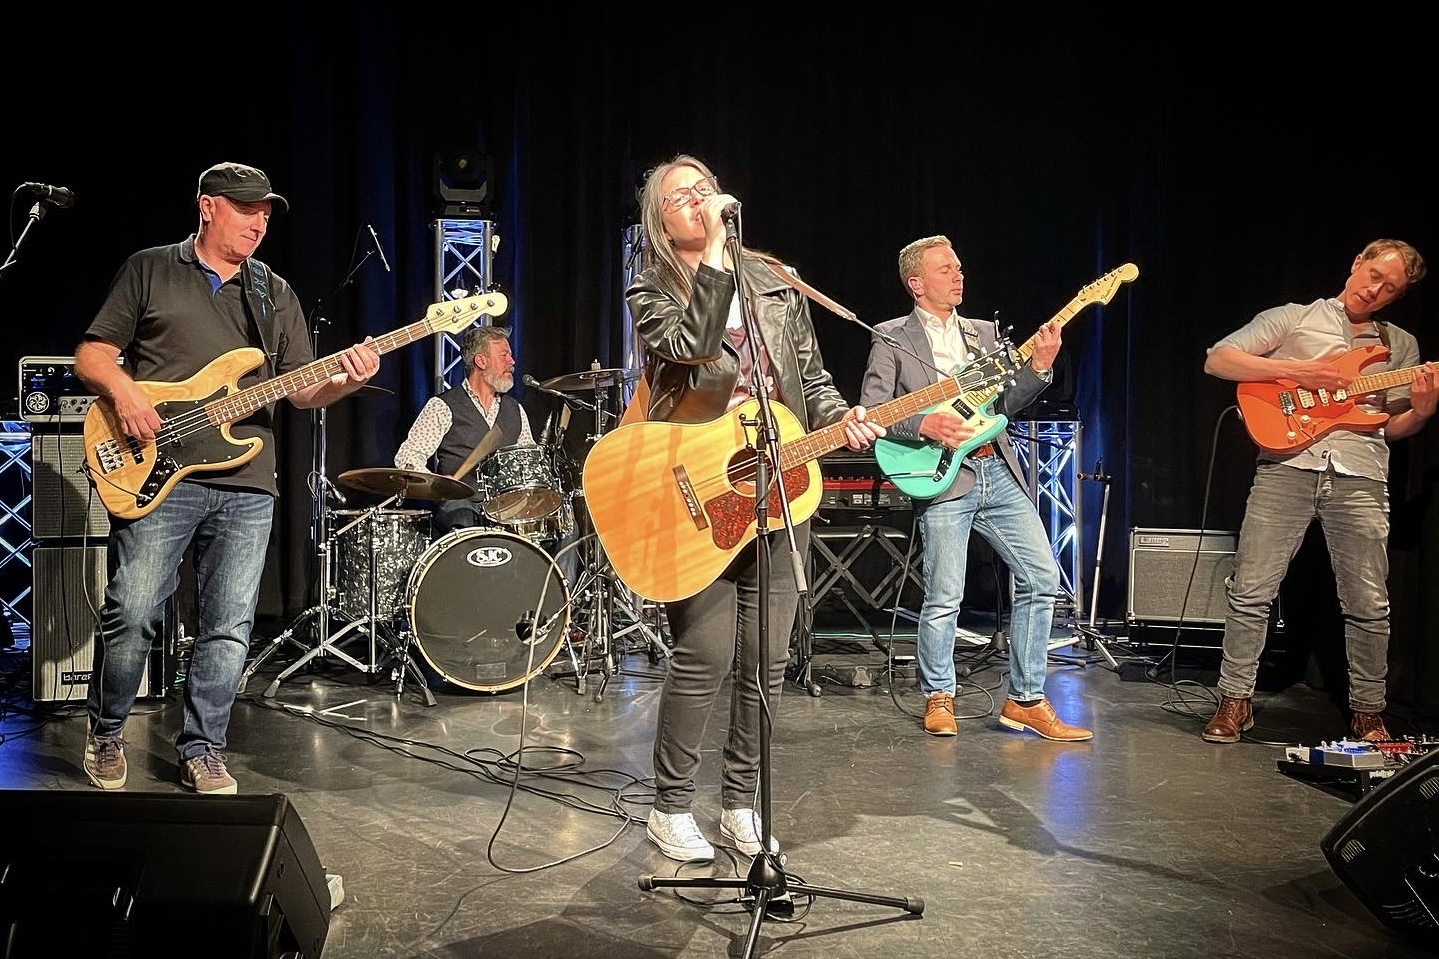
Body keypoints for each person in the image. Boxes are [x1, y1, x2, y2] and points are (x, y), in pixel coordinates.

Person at [75, 161, 381, 794]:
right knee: (131, 611)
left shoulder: (274, 294)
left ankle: (203, 748)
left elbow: (301, 393)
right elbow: (93, 355)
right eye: (246, 209)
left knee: (228, 624)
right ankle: (106, 733)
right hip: (155, 467)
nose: (259, 222)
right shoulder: (151, 268)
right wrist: (128, 397)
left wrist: (345, 380)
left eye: (266, 212)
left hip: (248, 483)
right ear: (207, 207)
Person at [628, 154, 885, 862]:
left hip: (776, 485)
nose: (700, 199)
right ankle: (670, 805)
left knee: (766, 659)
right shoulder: (651, 289)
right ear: (660, 218)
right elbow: (692, 347)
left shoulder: (775, 284)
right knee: (704, 652)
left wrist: (848, 416)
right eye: (684, 196)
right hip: (698, 491)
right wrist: (714, 252)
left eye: (706, 190)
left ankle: (740, 804)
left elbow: (809, 378)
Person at [859, 235, 1092, 742]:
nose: (959, 275)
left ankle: (1025, 699)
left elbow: (1006, 406)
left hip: (997, 469)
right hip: (943, 473)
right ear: (917, 283)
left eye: (959, 267)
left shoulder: (985, 335)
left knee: (1042, 578)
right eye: (946, 270)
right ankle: (938, 695)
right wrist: (924, 425)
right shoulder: (891, 336)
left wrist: (1039, 368)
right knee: (945, 595)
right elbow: (874, 413)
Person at [1201, 238, 1432, 745]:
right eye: (1374, 275)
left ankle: (1369, 710)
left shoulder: (1401, 346)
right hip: (1287, 465)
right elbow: (1220, 359)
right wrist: (1302, 371)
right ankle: (1235, 699)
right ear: (1357, 263)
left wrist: (1423, 409)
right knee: (1251, 590)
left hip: (1361, 474)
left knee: (1369, 600)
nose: (1376, 290)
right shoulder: (1294, 318)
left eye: (1389, 288)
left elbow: (1390, 425)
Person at [394, 324, 539, 538]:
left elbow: (529, 461)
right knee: (463, 519)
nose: (512, 361)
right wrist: (440, 484)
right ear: (481, 361)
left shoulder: (515, 409)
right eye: (504, 355)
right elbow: (407, 457)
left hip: (506, 504)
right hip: (461, 504)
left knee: (564, 527)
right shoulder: (443, 406)